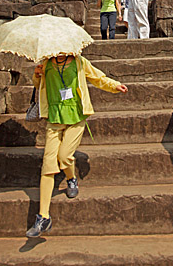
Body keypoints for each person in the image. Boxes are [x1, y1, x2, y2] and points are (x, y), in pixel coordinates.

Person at [26, 53, 128, 237]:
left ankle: (71, 178)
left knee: (64, 156)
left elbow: (97, 77)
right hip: (54, 119)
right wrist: (37, 75)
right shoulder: (46, 63)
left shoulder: (80, 61)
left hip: (76, 117)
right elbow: (38, 86)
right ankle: (43, 216)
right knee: (48, 166)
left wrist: (114, 85)